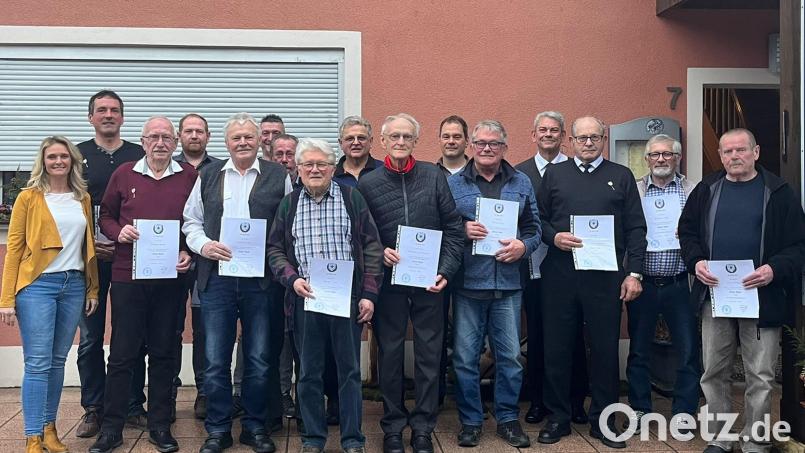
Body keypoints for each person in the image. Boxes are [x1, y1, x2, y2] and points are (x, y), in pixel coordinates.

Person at [679, 128, 805, 453]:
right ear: (720, 156)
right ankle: (720, 438)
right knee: (714, 370)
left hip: (763, 298)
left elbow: (798, 245)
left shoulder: (779, 192)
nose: (734, 157)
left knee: (760, 375)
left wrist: (774, 269)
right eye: (727, 152)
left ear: (756, 151)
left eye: (741, 150)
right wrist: (696, 262)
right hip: (716, 296)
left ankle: (755, 441)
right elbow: (687, 232)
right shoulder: (707, 189)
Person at [267, 137, 384, 453]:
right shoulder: (289, 204)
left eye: (321, 164)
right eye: (308, 164)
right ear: (299, 169)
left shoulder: (351, 198)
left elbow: (372, 246)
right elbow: (275, 249)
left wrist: (369, 294)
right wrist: (292, 280)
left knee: (349, 372)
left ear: (333, 168)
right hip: (306, 299)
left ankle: (352, 439)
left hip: (347, 299)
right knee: (308, 373)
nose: (315, 169)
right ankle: (313, 439)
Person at [537, 116, 646, 449]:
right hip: (560, 276)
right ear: (570, 141)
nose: (587, 143)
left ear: (603, 139)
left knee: (603, 350)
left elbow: (636, 229)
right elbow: (536, 219)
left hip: (605, 277)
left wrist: (634, 272)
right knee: (556, 348)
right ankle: (558, 417)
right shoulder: (554, 174)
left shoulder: (621, 176)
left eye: (594, 137)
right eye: (581, 138)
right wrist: (554, 237)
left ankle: (604, 420)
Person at [90, 116, 198, 453]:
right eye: (154, 137)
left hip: (170, 277)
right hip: (128, 276)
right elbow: (105, 214)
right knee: (123, 353)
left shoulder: (189, 176)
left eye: (167, 137)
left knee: (165, 352)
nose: (161, 143)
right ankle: (111, 428)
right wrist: (117, 231)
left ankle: (160, 425)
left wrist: (187, 251)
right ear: (143, 140)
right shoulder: (124, 173)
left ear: (176, 142)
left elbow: (197, 221)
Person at [357, 113, 464, 453]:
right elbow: (359, 237)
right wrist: (380, 252)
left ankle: (422, 427)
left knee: (429, 356)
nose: (401, 142)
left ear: (416, 141)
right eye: (395, 137)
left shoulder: (433, 177)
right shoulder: (368, 183)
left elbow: (454, 230)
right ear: (384, 142)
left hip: (429, 283)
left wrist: (445, 270)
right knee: (389, 354)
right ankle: (392, 427)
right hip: (388, 284)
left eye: (407, 137)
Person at [183, 112, 287, 453]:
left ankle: (255, 428)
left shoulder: (278, 175)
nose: (242, 142)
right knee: (215, 360)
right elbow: (191, 221)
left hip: (261, 282)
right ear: (225, 143)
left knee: (258, 359)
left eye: (248, 137)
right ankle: (218, 428)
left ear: (260, 141)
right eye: (236, 138)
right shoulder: (208, 174)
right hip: (217, 281)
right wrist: (203, 246)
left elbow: (287, 224)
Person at [0, 136, 99, 453]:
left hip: (73, 285)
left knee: (58, 362)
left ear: (72, 161)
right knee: (38, 363)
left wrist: (92, 287)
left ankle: (49, 429)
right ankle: (31, 437)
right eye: (52, 157)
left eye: (64, 156)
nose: (58, 161)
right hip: (37, 287)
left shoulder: (81, 197)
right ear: (43, 162)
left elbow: (88, 247)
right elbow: (14, 250)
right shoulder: (29, 198)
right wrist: (6, 300)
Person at [447, 120, 541, 448]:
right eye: (481, 143)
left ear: (504, 147)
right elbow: (443, 227)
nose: (487, 148)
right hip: (467, 285)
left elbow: (534, 228)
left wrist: (523, 247)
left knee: (511, 358)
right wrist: (462, 230)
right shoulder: (453, 183)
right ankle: (471, 421)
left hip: (509, 287)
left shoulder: (521, 182)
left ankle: (507, 418)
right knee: (464, 358)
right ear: (471, 146)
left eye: (494, 143)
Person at [76, 90, 148, 437]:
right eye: (101, 110)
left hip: (129, 262)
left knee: (129, 335)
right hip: (87, 263)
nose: (108, 115)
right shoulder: (76, 156)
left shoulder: (138, 155)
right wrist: (91, 245)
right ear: (90, 117)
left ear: (122, 117)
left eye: (114, 110)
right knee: (90, 338)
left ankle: (132, 404)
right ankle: (93, 407)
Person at [514, 111, 589, 425]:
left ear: (563, 137)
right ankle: (538, 400)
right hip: (531, 267)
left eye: (554, 130)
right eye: (542, 130)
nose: (548, 135)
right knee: (538, 335)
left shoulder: (578, 171)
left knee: (573, 337)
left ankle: (575, 400)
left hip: (572, 268)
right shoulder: (519, 173)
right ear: (533, 135)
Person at [624, 134, 698, 432]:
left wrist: (690, 235)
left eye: (667, 154)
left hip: (681, 283)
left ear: (677, 158)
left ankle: (684, 411)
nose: (661, 160)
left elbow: (703, 229)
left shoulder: (693, 190)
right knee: (639, 349)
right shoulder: (636, 190)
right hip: (644, 282)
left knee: (688, 349)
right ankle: (641, 410)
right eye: (655, 155)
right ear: (647, 160)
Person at [173, 113, 221, 420]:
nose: (194, 135)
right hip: (169, 263)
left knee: (205, 329)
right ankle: (168, 391)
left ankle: (205, 391)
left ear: (208, 135)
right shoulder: (166, 166)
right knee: (170, 327)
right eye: (188, 131)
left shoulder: (219, 170)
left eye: (199, 131)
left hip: (207, 263)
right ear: (179, 136)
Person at [333, 116, 382, 187]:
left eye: (361, 138)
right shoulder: (331, 175)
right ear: (341, 143)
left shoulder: (384, 171)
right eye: (350, 138)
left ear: (370, 142)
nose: (356, 143)